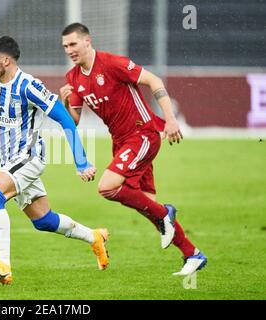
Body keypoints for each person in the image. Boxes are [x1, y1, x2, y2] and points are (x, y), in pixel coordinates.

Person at [0, 36, 109, 285]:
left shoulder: (29, 86)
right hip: (7, 161)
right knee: (44, 221)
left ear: (6, 60)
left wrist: (81, 161)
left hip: (29, 157)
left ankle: (4, 265)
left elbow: (65, 119)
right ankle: (95, 237)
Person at [59, 23, 206, 276]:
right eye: (65, 47)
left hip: (143, 134)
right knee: (148, 205)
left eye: (73, 44)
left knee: (107, 187)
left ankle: (166, 213)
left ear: (87, 41)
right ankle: (192, 254)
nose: (69, 50)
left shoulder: (112, 63)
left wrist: (170, 119)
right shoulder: (73, 78)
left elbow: (153, 80)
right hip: (121, 142)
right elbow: (73, 121)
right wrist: (64, 101)